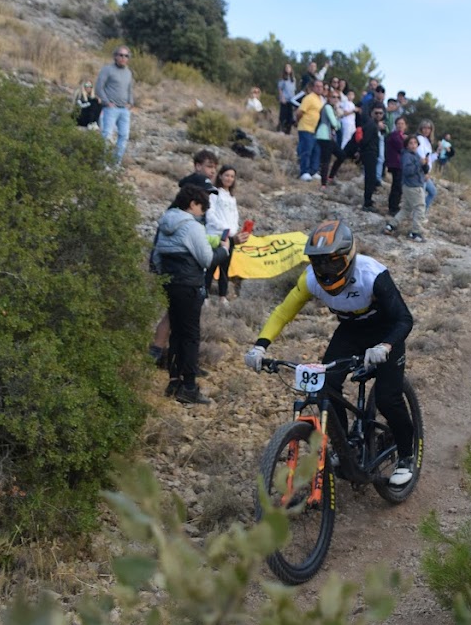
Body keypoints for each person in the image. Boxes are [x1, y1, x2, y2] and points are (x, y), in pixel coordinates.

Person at [244, 220, 418, 485]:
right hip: (350, 331)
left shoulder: (371, 274)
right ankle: (345, 445)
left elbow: (404, 318)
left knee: (387, 398)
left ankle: (406, 455)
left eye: (333, 263)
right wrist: (260, 345)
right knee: (325, 386)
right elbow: (282, 312)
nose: (325, 271)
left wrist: (385, 346)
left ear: (349, 257)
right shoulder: (310, 279)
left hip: (386, 331)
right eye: (319, 264)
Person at [153, 184, 216, 405]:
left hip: (170, 283)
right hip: (189, 285)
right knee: (190, 336)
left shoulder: (165, 222)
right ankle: (189, 387)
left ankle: (174, 382)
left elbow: (157, 256)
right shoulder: (192, 226)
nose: (203, 212)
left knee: (176, 334)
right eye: (202, 207)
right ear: (192, 204)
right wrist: (224, 250)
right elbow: (207, 259)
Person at [205, 166, 250, 303]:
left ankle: (222, 296)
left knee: (225, 267)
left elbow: (234, 216)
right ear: (220, 176)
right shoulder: (214, 193)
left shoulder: (231, 197)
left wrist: (234, 230)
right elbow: (210, 214)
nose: (229, 179)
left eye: (232, 176)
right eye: (227, 175)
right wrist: (224, 227)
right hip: (217, 234)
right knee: (212, 266)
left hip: (230, 235)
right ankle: (204, 295)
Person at [385, 129, 428, 242]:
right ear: (407, 145)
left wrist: (425, 165)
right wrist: (419, 164)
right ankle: (415, 233)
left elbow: (423, 169)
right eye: (411, 143)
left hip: (412, 185)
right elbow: (408, 171)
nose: (413, 145)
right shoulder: (407, 156)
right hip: (413, 186)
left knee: (406, 209)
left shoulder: (415, 155)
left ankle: (391, 225)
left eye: (415, 143)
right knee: (420, 208)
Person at [96, 46, 135, 164]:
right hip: (110, 109)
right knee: (107, 136)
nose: (123, 58)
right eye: (121, 55)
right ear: (115, 56)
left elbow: (129, 89)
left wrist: (131, 103)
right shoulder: (107, 70)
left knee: (124, 136)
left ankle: (115, 164)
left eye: (126, 56)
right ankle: (103, 164)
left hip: (124, 110)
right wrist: (106, 102)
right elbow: (99, 87)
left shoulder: (128, 72)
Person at [293, 80, 326, 181]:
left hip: (316, 130)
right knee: (306, 151)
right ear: (313, 87)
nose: (319, 88)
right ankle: (304, 172)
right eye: (317, 86)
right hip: (306, 128)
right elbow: (300, 112)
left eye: (321, 86)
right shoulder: (309, 98)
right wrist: (299, 122)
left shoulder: (320, 99)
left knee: (316, 151)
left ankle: (313, 171)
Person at [360, 105, 387, 212]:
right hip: (369, 153)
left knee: (371, 178)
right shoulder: (371, 125)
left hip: (373, 154)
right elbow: (365, 140)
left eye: (380, 113)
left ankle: (369, 201)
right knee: (370, 178)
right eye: (376, 113)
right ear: (372, 113)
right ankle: (367, 203)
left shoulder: (377, 126)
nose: (378, 115)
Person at [277, 64, 297, 134]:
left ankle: (288, 130)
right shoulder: (282, 79)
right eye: (286, 68)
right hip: (284, 99)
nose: (288, 69)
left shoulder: (293, 79)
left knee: (290, 116)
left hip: (291, 99)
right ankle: (281, 129)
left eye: (289, 68)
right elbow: (280, 89)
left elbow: (293, 90)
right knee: (283, 115)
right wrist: (282, 98)